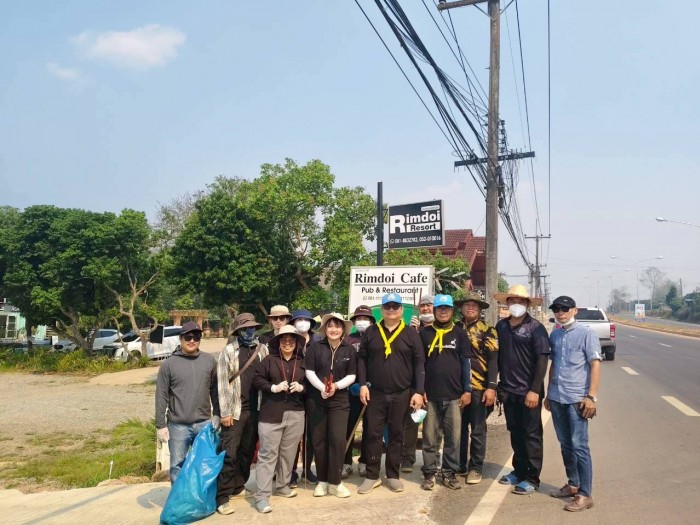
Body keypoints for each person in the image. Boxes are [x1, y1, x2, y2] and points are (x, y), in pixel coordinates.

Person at [357, 293, 425, 495]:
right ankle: (372, 476)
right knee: (372, 434)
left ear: (402, 310)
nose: (392, 310)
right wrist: (363, 385)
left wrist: (418, 391)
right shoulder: (371, 332)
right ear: (382, 310)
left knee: (396, 435)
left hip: (401, 393)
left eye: (396, 306)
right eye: (388, 306)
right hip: (375, 393)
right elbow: (362, 360)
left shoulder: (411, 333)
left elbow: (419, 363)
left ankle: (393, 475)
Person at [545, 296, 601, 512]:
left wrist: (591, 397)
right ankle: (573, 484)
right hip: (557, 397)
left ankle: (585, 494)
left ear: (574, 310)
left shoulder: (586, 334)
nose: (560, 312)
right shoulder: (555, 334)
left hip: (577, 399)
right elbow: (554, 365)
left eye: (565, 308)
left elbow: (595, 365)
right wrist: (549, 394)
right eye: (556, 309)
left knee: (579, 446)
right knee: (565, 444)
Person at [493, 285, 550, 495]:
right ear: (507, 303)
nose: (516, 304)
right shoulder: (501, 326)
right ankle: (518, 471)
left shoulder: (536, 328)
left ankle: (532, 478)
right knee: (515, 433)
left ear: (527, 304)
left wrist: (535, 390)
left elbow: (542, 360)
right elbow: (497, 357)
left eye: (521, 301)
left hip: (529, 392)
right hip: (509, 391)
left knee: (531, 435)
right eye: (513, 301)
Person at [215, 313, 269, 515]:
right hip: (235, 411)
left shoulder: (263, 349)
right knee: (229, 453)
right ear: (238, 331)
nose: (249, 331)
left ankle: (238, 485)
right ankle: (222, 497)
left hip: (256, 409)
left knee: (247, 452)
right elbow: (222, 383)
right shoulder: (229, 351)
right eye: (245, 328)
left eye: (252, 327)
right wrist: (225, 412)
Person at [155, 321, 219, 483]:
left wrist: (217, 414)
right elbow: (161, 395)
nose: (192, 340)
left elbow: (215, 390)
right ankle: (180, 497)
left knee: (205, 464)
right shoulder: (168, 365)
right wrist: (160, 425)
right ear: (181, 338)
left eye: (196, 337)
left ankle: (202, 496)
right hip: (178, 426)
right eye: (188, 337)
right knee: (177, 466)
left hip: (204, 424)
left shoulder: (209, 361)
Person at [419, 294, 472, 491]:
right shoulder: (424, 334)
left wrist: (467, 390)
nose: (443, 312)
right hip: (430, 396)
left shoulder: (460, 334)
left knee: (453, 438)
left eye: (447, 308)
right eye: (440, 308)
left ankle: (449, 473)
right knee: (429, 438)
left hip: (454, 396)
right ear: (434, 311)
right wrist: (419, 390)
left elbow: (466, 364)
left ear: (452, 311)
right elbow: (419, 364)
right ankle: (429, 473)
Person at [252, 325, 307, 514]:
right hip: (271, 414)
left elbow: (311, 384)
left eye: (292, 340)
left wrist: (302, 388)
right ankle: (261, 496)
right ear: (279, 342)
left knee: (288, 453)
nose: (288, 343)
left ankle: (283, 486)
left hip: (296, 413)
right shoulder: (269, 360)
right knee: (268, 455)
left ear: (296, 343)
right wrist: (273, 388)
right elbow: (257, 380)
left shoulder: (303, 362)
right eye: (284, 340)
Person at [304, 313, 357, 498]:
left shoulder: (349, 350)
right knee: (319, 441)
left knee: (337, 439)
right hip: (317, 399)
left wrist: (336, 386)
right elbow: (309, 371)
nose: (334, 329)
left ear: (343, 329)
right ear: (325, 329)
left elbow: (352, 375)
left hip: (340, 400)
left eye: (338, 326)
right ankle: (322, 481)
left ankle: (336, 481)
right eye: (330, 326)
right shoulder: (315, 347)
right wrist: (322, 388)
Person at [456, 291, 499, 484]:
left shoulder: (489, 331)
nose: (471, 307)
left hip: (479, 387)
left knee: (477, 430)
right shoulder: (454, 329)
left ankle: (475, 468)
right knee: (458, 429)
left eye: (475, 305)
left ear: (480, 309)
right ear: (461, 308)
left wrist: (491, 387)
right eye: (467, 304)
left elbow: (494, 361)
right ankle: (459, 464)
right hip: (456, 388)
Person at [402, 294, 435, 473]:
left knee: (432, 425)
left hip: (434, 385)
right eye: (422, 306)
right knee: (411, 422)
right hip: (414, 385)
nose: (426, 308)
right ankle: (408, 457)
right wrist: (410, 332)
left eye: (429, 305)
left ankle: (432, 459)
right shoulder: (412, 329)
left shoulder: (440, 329)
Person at [287, 309, 318, 487]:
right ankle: (290, 471)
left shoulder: (318, 340)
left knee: (310, 434)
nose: (302, 323)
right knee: (293, 435)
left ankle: (307, 469)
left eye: (306, 320)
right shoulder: (289, 340)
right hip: (293, 393)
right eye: (298, 320)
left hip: (314, 393)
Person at [343, 305, 375, 478]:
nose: (362, 321)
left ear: (371, 321)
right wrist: (351, 385)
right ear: (354, 322)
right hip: (351, 390)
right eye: (359, 319)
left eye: (366, 319)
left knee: (370, 429)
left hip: (372, 390)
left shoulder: (376, 337)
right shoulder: (347, 340)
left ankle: (365, 461)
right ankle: (346, 462)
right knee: (349, 427)